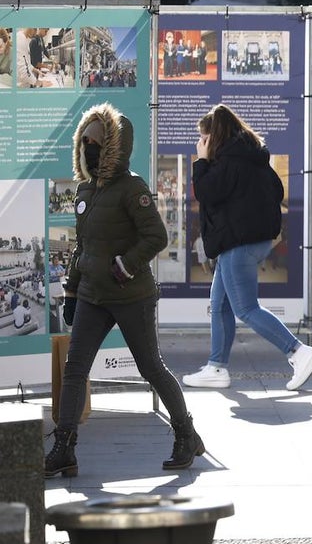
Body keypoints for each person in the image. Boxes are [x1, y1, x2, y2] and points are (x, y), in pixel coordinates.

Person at [45, 103, 204, 478]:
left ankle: (185, 433)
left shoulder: (133, 188)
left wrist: (125, 265)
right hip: (92, 297)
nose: (88, 148)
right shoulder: (85, 191)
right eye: (84, 141)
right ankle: (64, 448)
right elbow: (82, 246)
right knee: (74, 370)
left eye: (96, 141)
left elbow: (156, 236)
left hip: (132, 296)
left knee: (151, 367)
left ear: (114, 145)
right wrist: (71, 292)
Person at [182, 104, 312, 391]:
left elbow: (206, 192)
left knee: (245, 308)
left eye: (204, 137)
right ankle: (216, 367)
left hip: (238, 243)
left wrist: (201, 159)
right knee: (220, 303)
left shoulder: (227, 162)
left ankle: (297, 351)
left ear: (213, 137)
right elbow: (277, 191)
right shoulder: (253, 158)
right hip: (252, 241)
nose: (201, 142)